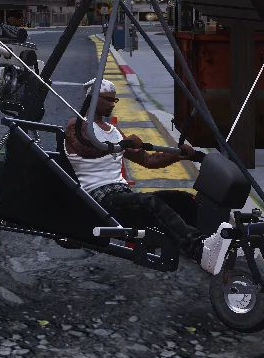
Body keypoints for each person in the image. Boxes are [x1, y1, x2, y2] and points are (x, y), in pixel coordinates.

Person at [64, 79, 204, 258]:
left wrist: (178, 155)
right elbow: (87, 150)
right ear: (92, 99)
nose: (112, 104)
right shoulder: (76, 126)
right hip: (97, 199)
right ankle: (198, 248)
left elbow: (149, 160)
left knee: (183, 200)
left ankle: (203, 242)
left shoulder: (114, 132)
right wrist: (123, 144)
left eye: (114, 100)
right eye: (108, 99)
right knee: (149, 203)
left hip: (122, 194)